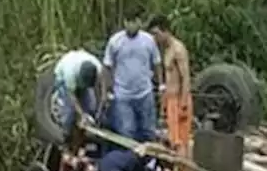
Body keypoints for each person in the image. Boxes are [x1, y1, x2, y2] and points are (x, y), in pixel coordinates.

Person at [102, 8, 164, 142]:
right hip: (123, 95)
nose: (131, 25)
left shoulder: (148, 40)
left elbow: (157, 62)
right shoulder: (115, 41)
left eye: (134, 21)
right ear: (124, 23)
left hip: (144, 93)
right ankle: (131, 161)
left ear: (139, 22)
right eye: (128, 21)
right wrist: (108, 90)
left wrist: (161, 85)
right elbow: (107, 66)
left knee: (148, 130)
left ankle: (150, 161)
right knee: (127, 132)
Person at [147, 15, 193, 151]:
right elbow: (168, 80)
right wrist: (164, 104)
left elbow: (185, 77)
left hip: (180, 100)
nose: (155, 38)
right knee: (173, 139)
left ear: (165, 31)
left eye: (157, 34)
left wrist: (183, 104)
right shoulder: (166, 50)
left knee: (181, 140)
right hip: (171, 99)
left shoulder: (178, 49)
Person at [53, 49, 103, 140]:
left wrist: (99, 109)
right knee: (69, 113)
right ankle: (65, 137)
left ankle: (84, 136)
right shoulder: (70, 72)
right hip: (63, 81)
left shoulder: (97, 67)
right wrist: (82, 114)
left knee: (90, 106)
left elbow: (98, 88)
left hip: (79, 78)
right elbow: (72, 96)